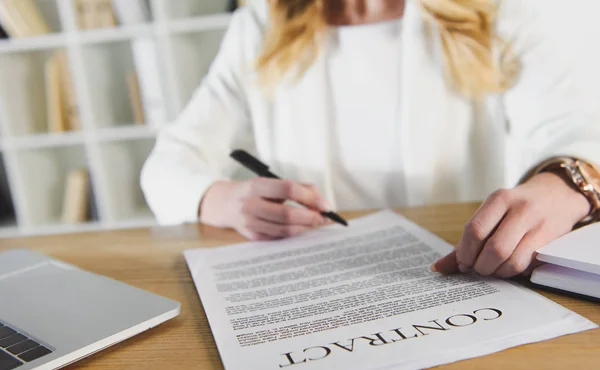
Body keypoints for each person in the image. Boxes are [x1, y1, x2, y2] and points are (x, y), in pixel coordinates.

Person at [141, 0, 600, 278]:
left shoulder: (493, 14)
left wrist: (560, 185)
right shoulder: (260, 27)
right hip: (315, 281)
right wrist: (220, 198)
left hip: (459, 274)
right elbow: (166, 165)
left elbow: (574, 130)